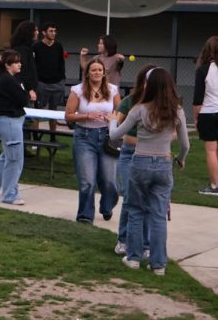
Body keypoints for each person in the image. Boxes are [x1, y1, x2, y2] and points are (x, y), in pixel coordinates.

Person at [110, 67, 189, 275]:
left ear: (149, 85)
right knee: (158, 215)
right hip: (164, 164)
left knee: (136, 211)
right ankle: (159, 265)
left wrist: (111, 120)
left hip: (140, 163)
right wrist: (180, 159)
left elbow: (115, 135)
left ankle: (134, 258)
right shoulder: (177, 110)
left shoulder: (139, 109)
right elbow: (185, 145)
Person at [65, 59, 119, 224]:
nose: (97, 72)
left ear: (104, 73)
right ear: (87, 73)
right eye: (93, 70)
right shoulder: (78, 91)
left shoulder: (112, 90)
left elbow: (120, 111)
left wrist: (113, 118)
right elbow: (68, 115)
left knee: (109, 179)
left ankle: (107, 205)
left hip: (106, 137)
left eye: (99, 70)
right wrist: (86, 115)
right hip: (84, 137)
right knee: (87, 180)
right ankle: (85, 215)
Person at [113, 65, 157, 257]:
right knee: (130, 197)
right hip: (129, 153)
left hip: (151, 155)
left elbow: (173, 133)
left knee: (147, 200)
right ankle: (123, 240)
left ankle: (146, 245)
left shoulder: (161, 104)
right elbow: (116, 123)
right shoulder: (130, 101)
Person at [0, 49, 29, 206]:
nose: (19, 64)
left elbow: (22, 96)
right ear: (8, 65)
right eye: (16, 62)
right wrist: (26, 92)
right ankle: (10, 195)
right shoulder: (7, 80)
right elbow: (23, 99)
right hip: (9, 122)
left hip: (10, 121)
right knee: (15, 159)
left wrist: (24, 91)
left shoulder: (11, 78)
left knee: (7, 156)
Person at [192, 36, 218, 196]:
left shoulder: (203, 70)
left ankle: (214, 186)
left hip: (209, 112)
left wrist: (196, 118)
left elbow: (197, 99)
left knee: (210, 150)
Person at [33, 21, 67, 133]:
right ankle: (35, 138)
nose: (53, 33)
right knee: (38, 110)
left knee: (54, 111)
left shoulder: (58, 46)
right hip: (42, 83)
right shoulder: (36, 46)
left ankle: (52, 136)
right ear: (44, 32)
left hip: (57, 83)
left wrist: (62, 80)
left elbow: (61, 63)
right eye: (51, 31)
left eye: (55, 31)